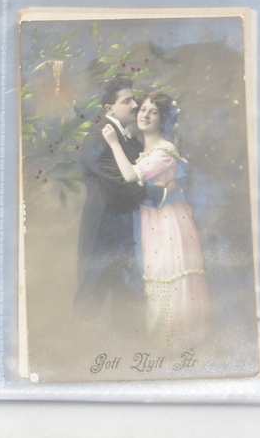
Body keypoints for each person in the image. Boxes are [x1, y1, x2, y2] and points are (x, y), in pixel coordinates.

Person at [99, 91, 212, 349]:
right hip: (152, 221)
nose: (146, 115)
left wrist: (114, 144)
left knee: (168, 275)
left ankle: (177, 343)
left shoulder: (164, 150)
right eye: (143, 110)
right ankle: (160, 342)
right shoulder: (146, 149)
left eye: (154, 112)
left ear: (163, 119)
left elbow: (130, 176)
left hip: (168, 222)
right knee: (155, 277)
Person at [74, 79, 164, 332]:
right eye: (127, 101)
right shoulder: (98, 139)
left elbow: (142, 173)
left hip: (128, 228)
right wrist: (162, 195)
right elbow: (119, 185)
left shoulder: (131, 139)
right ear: (109, 109)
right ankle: (78, 347)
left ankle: (128, 347)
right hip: (104, 229)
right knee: (93, 291)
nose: (135, 105)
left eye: (134, 99)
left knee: (127, 292)